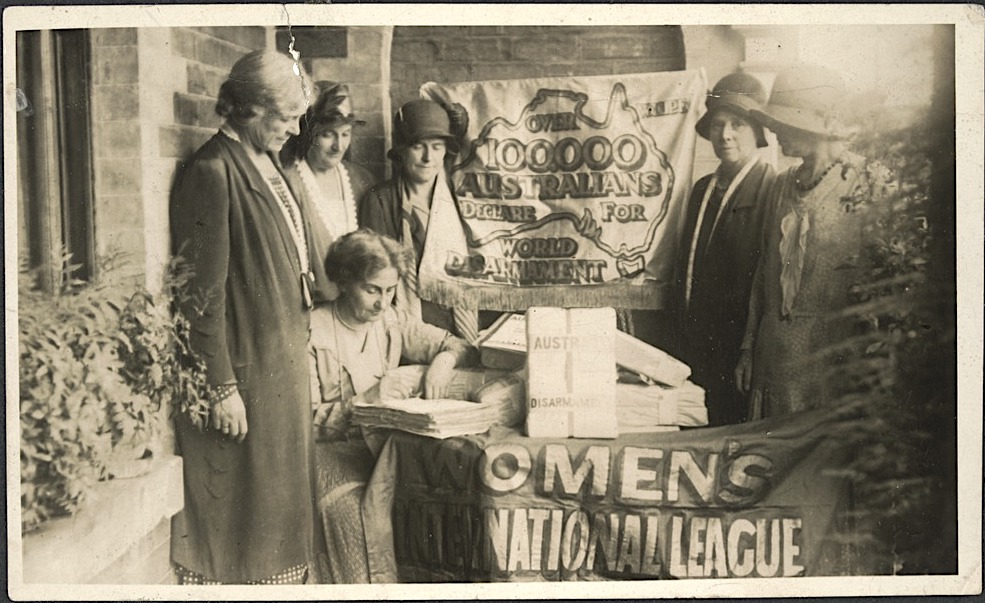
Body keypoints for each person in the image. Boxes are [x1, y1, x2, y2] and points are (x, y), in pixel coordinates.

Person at [169, 50, 317, 584]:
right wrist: (220, 386)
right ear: (251, 109)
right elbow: (198, 296)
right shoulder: (213, 171)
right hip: (248, 375)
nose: (295, 129)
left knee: (280, 518)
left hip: (279, 370)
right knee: (248, 528)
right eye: (287, 117)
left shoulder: (267, 164)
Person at [307, 229, 477, 583]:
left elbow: (455, 344)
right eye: (372, 290)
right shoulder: (311, 331)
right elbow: (302, 422)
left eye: (390, 290)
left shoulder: (391, 320)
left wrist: (443, 362)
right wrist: (370, 398)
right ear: (344, 280)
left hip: (385, 447)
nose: (382, 302)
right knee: (357, 515)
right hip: (331, 452)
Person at [735, 65, 881, 418]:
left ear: (814, 126)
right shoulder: (781, 185)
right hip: (772, 361)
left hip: (831, 359)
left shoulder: (868, 182)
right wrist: (748, 348)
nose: (773, 132)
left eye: (781, 124)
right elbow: (763, 276)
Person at [675, 72, 776, 426]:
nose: (726, 135)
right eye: (718, 125)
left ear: (757, 131)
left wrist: (749, 350)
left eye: (737, 124)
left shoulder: (770, 188)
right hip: (697, 342)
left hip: (738, 348)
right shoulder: (704, 189)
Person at [358, 99, 487, 343]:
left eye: (437, 147)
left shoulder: (461, 195)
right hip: (412, 327)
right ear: (402, 151)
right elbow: (378, 274)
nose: (428, 157)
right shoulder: (381, 200)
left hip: (467, 319)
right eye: (418, 146)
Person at [281, 81, 375, 302]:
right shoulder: (288, 181)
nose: (339, 146)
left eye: (345, 134)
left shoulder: (362, 180)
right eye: (328, 135)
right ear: (308, 133)